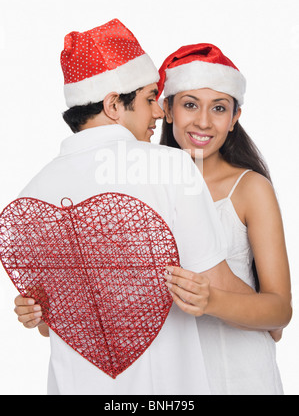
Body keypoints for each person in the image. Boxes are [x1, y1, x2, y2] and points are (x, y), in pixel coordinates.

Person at [10, 20, 256, 395]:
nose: (158, 113)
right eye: (148, 98)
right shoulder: (169, 167)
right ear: (113, 105)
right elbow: (218, 285)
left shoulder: (32, 196)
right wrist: (272, 315)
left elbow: (52, 322)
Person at [158, 43, 292, 394]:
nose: (203, 121)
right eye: (190, 105)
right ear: (167, 110)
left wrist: (212, 301)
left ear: (234, 119)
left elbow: (279, 311)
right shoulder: (146, 188)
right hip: (172, 376)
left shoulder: (250, 189)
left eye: (219, 108)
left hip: (241, 375)